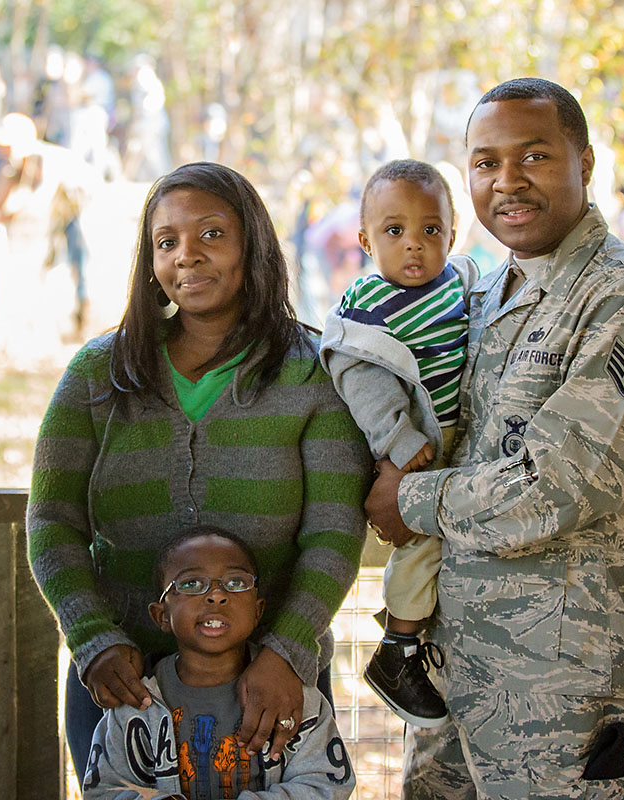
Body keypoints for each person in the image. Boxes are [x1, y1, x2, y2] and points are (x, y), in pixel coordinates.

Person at [364, 78, 624, 799]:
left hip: (557, 698)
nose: (506, 182)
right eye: (485, 163)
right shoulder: (479, 294)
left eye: (534, 156)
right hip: (452, 675)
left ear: (586, 162)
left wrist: (410, 498)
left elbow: (555, 489)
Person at [26, 162, 371, 778]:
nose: (187, 256)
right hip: (123, 686)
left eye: (211, 234)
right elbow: (52, 521)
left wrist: (287, 653)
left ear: (252, 246)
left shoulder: (311, 372)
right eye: (167, 242)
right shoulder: (94, 374)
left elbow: (334, 531)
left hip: (268, 686)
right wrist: (94, 639)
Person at [318, 159, 480, 729]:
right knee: (424, 542)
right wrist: (396, 438)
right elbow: (359, 377)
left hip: (456, 438)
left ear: (452, 235)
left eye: (430, 230)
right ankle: (398, 651)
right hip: (415, 445)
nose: (414, 246)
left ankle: (407, 614)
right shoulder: (367, 304)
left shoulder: (458, 283)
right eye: (394, 231)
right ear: (364, 239)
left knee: (445, 544)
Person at [82, 526, 355, 799]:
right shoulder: (136, 705)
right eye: (191, 584)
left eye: (236, 583)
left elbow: (325, 786)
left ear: (258, 610)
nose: (216, 595)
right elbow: (104, 790)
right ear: (161, 616)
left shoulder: (292, 697)